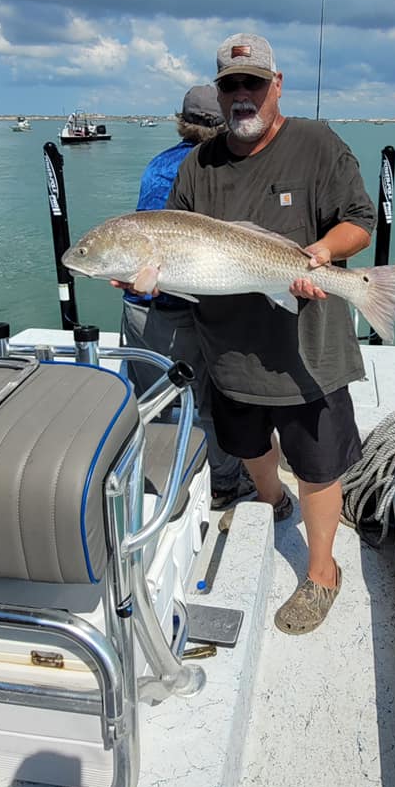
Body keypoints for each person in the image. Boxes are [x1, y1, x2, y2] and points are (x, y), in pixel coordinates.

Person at [166, 33, 377, 636]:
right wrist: (145, 277)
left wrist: (319, 254)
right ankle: (271, 502)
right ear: (218, 91)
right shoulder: (197, 166)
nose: (241, 96)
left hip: (307, 350)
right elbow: (177, 250)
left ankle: (321, 571)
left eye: (253, 83)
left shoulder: (316, 143)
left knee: (317, 465)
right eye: (230, 85)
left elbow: (359, 221)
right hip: (228, 351)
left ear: (275, 85)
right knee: (249, 446)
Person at [121, 84, 249, 509]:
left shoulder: (156, 163)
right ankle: (224, 483)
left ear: (182, 121)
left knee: (152, 403)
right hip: (181, 308)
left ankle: (158, 483)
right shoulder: (209, 169)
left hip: (138, 309)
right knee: (208, 401)